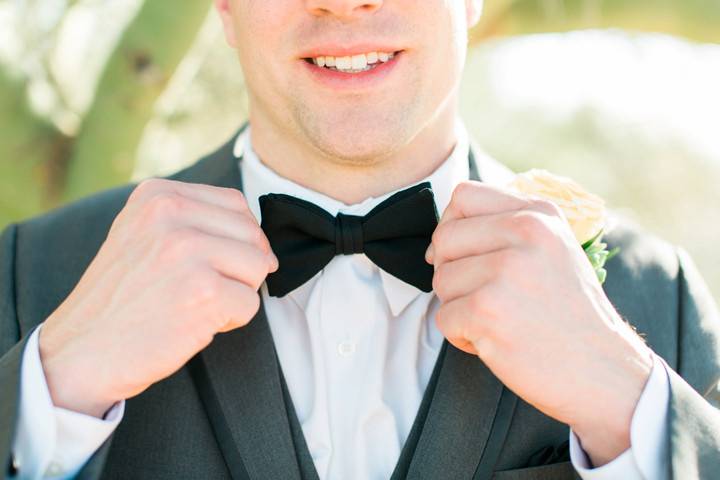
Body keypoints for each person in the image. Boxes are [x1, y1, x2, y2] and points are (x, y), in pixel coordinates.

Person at [1, 0, 719, 478]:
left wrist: (635, 411)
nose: (344, 3)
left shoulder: (659, 297)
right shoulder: (29, 272)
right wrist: (49, 389)